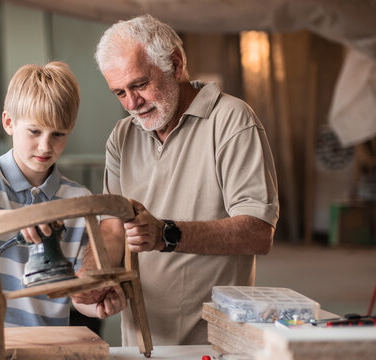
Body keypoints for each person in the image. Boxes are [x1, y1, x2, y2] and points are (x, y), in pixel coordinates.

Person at [72, 15, 279, 346]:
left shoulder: (232, 121)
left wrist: (166, 234)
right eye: (119, 93)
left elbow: (258, 232)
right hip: (141, 341)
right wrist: (90, 279)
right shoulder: (123, 136)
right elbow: (112, 228)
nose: (132, 104)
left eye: (139, 85)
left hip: (212, 343)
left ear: (175, 63)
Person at [0, 61, 111, 348]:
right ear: (9, 122)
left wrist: (97, 304)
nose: (46, 146)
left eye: (58, 134)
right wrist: (20, 219)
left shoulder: (77, 201)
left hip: (41, 342)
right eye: (35, 131)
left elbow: (76, 297)